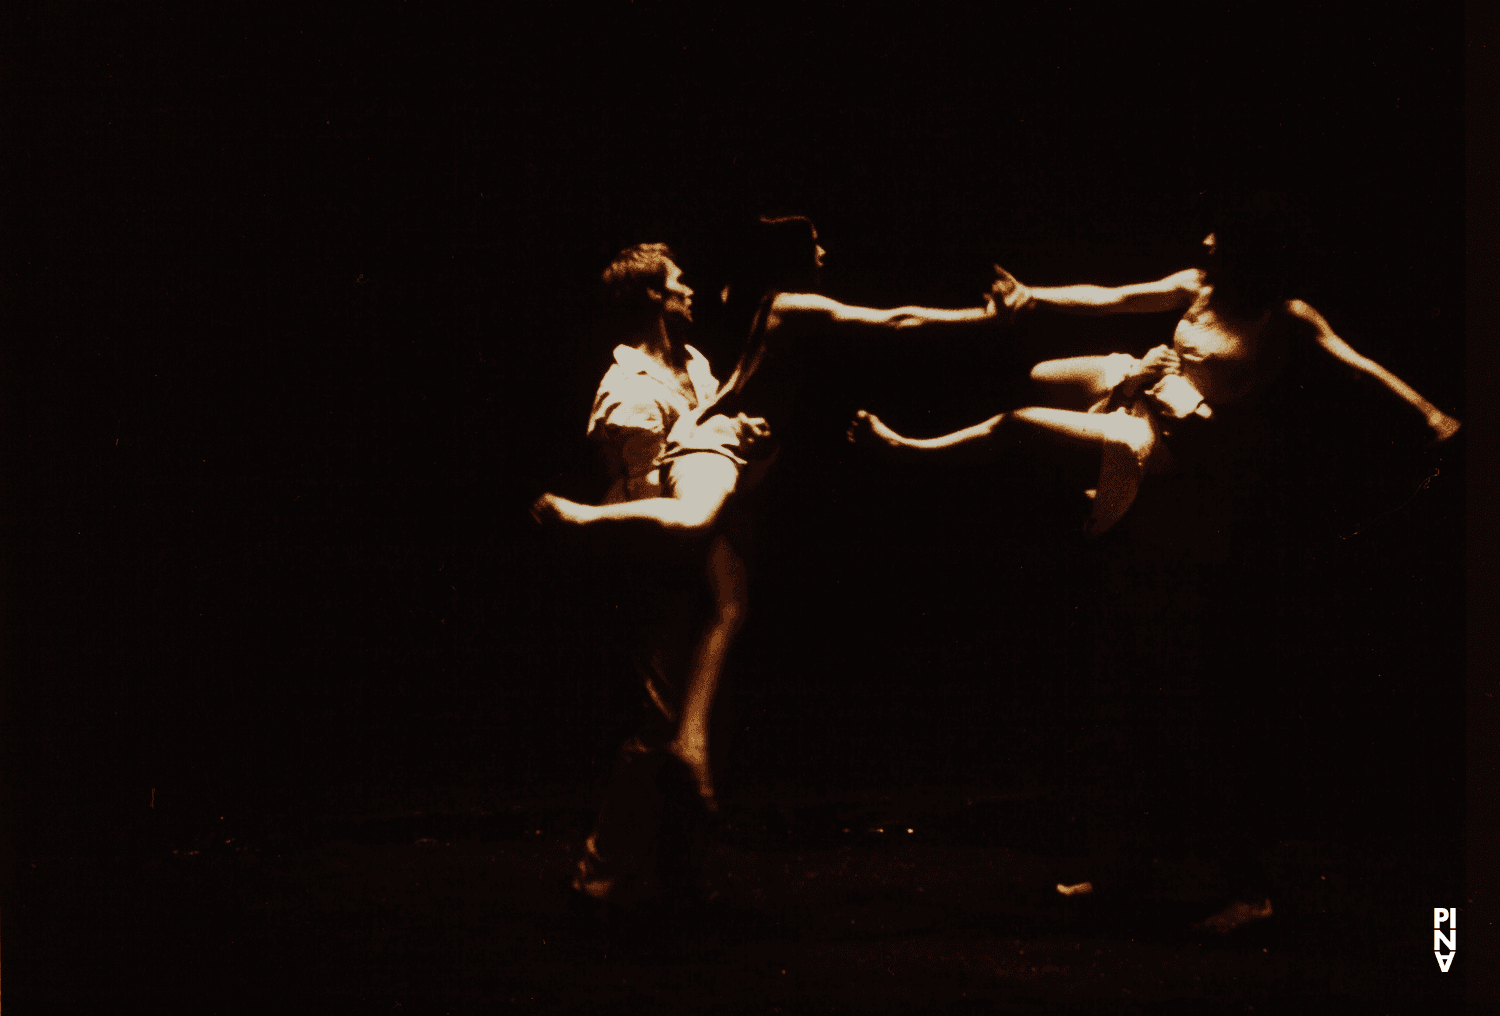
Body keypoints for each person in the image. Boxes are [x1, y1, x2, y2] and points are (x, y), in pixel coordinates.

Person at [848, 227, 1461, 537]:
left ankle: (908, 451)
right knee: (1041, 375)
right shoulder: (1199, 283)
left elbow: (1360, 367)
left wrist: (1430, 416)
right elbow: (1112, 298)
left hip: (1182, 433)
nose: (1206, 241)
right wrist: (1033, 298)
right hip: (1142, 380)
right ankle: (1072, 470)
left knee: (1017, 425)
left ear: (1251, 256)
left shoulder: (1287, 318)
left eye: (1220, 238)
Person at [530, 242, 766, 910]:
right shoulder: (627, 388)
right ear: (652, 299)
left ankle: (679, 871)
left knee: (698, 711)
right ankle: (597, 872)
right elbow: (643, 488)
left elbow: (708, 438)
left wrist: (738, 431)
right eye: (678, 282)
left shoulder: (693, 363)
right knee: (661, 716)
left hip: (705, 540)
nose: (690, 289)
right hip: (654, 555)